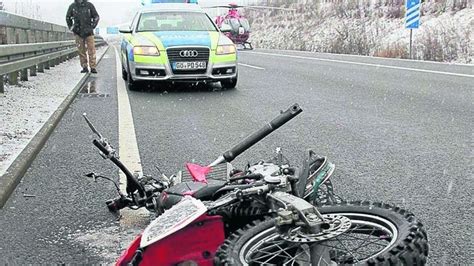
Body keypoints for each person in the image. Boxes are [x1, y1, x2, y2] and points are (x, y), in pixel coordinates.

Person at [66, 0, 100, 73]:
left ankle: (93, 67)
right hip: (78, 32)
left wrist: (92, 26)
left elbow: (96, 16)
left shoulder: (89, 5)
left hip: (89, 32)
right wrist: (72, 28)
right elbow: (68, 17)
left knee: (91, 50)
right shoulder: (72, 6)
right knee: (81, 51)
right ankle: (84, 67)